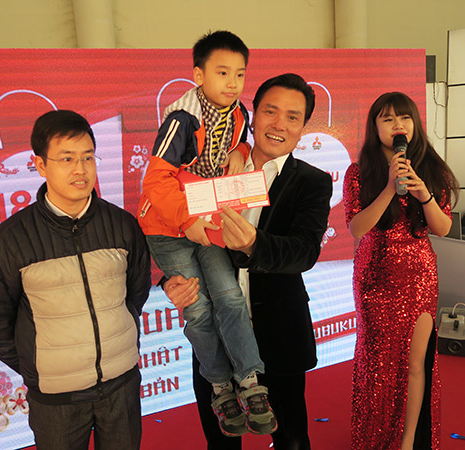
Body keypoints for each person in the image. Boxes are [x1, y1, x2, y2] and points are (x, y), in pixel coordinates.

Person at [165, 73, 333, 450]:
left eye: (292, 116)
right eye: (270, 111)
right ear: (253, 116)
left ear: (303, 127)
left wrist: (255, 244)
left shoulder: (312, 182)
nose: (279, 124)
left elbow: (304, 251)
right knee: (222, 440)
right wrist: (170, 280)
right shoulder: (211, 168)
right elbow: (175, 232)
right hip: (216, 336)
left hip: (279, 333)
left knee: (291, 438)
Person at [0, 110, 151, 450]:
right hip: (56, 401)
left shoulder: (123, 225)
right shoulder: (7, 242)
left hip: (122, 385)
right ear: (40, 165)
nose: (80, 169)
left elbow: (135, 294)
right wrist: (41, 368)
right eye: (67, 159)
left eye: (88, 157)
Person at [138, 30, 276, 437]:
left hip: (207, 218)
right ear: (198, 75)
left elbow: (242, 143)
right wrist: (186, 221)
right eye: (222, 72)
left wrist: (241, 152)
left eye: (240, 74)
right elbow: (155, 181)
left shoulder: (238, 112)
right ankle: (220, 386)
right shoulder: (183, 119)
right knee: (198, 309)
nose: (232, 82)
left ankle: (250, 380)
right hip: (168, 227)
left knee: (230, 297)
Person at [342, 92, 459, 450]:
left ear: (415, 124)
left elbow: (442, 228)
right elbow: (357, 228)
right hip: (374, 277)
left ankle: (407, 443)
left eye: (404, 118)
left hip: (419, 277)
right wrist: (390, 189)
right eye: (388, 118)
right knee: (376, 366)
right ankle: (375, 438)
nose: (398, 125)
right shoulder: (359, 172)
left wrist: (424, 196)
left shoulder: (433, 169)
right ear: (375, 126)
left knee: (415, 364)